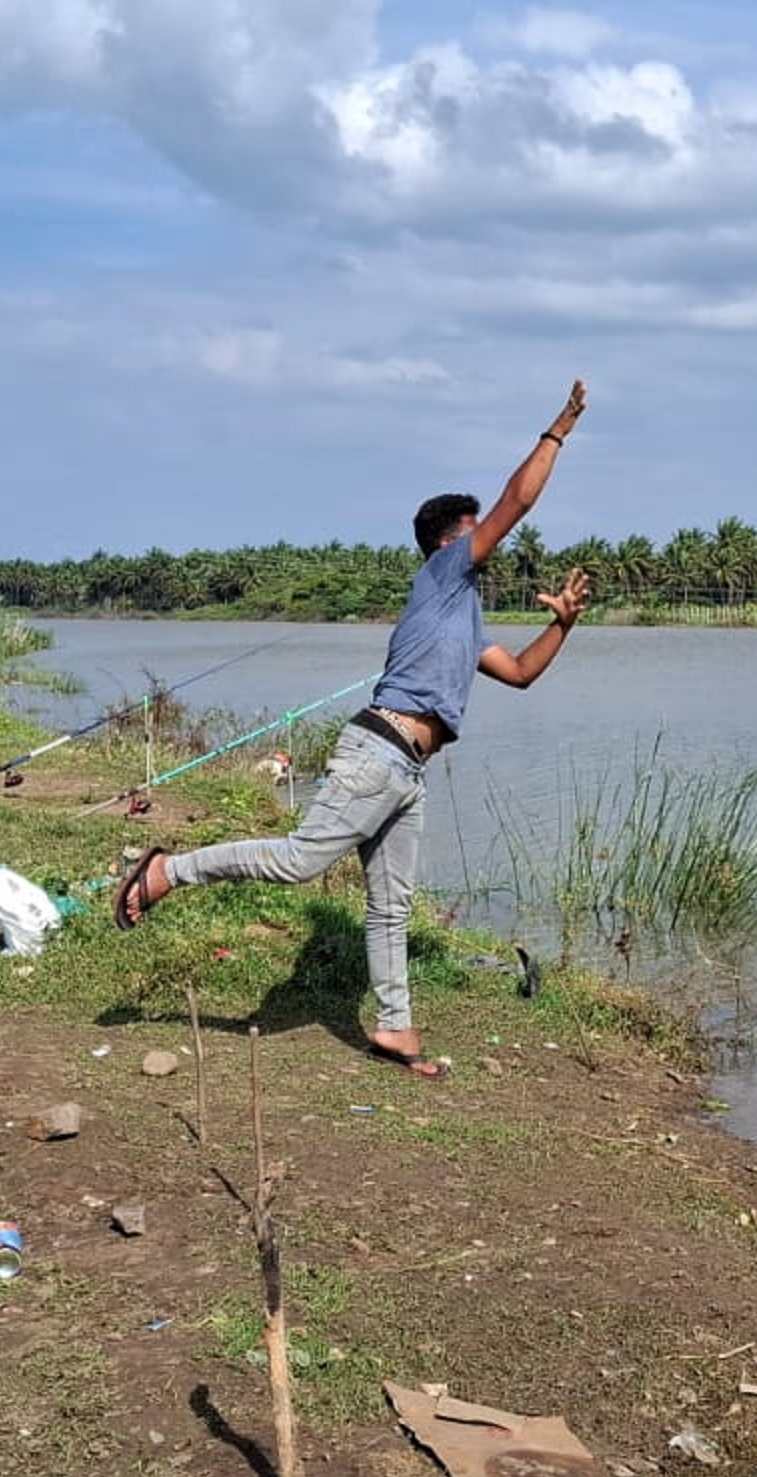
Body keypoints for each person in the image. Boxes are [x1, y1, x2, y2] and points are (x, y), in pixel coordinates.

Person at [114, 381, 594, 1078]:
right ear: (445, 542)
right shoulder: (442, 573)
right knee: (300, 860)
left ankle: (395, 1029)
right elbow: (516, 503)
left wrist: (563, 625)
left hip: (408, 771)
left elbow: (519, 673)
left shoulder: (463, 617)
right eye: (471, 528)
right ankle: (168, 871)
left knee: (390, 906)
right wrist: (560, 428)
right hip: (378, 752)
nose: (482, 536)